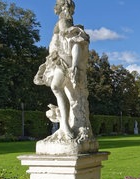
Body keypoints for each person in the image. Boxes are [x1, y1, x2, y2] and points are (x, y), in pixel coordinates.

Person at [34, 0, 91, 142]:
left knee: (60, 89)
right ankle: (65, 125)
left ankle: (66, 125)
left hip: (64, 62)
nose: (57, 9)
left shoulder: (65, 22)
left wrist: (75, 65)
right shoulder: (64, 23)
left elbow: (75, 43)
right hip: (59, 61)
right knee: (67, 94)